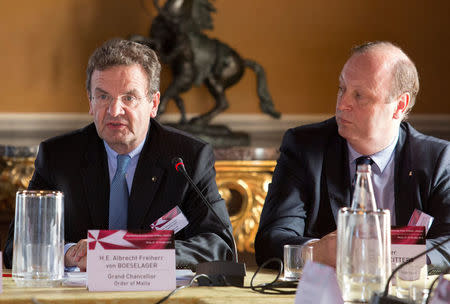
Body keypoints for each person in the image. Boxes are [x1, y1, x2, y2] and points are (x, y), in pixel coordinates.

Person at [3, 39, 234, 270]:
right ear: (90, 102)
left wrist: (125, 249)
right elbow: (17, 245)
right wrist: (67, 254)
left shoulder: (188, 158)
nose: (114, 111)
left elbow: (218, 245)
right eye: (103, 97)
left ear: (153, 104)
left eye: (129, 98)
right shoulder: (58, 157)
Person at [255, 41, 450, 271]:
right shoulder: (305, 147)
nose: (343, 103)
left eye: (359, 95)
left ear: (400, 105)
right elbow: (271, 239)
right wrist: (315, 251)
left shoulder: (436, 159)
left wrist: (386, 254)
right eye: (341, 88)